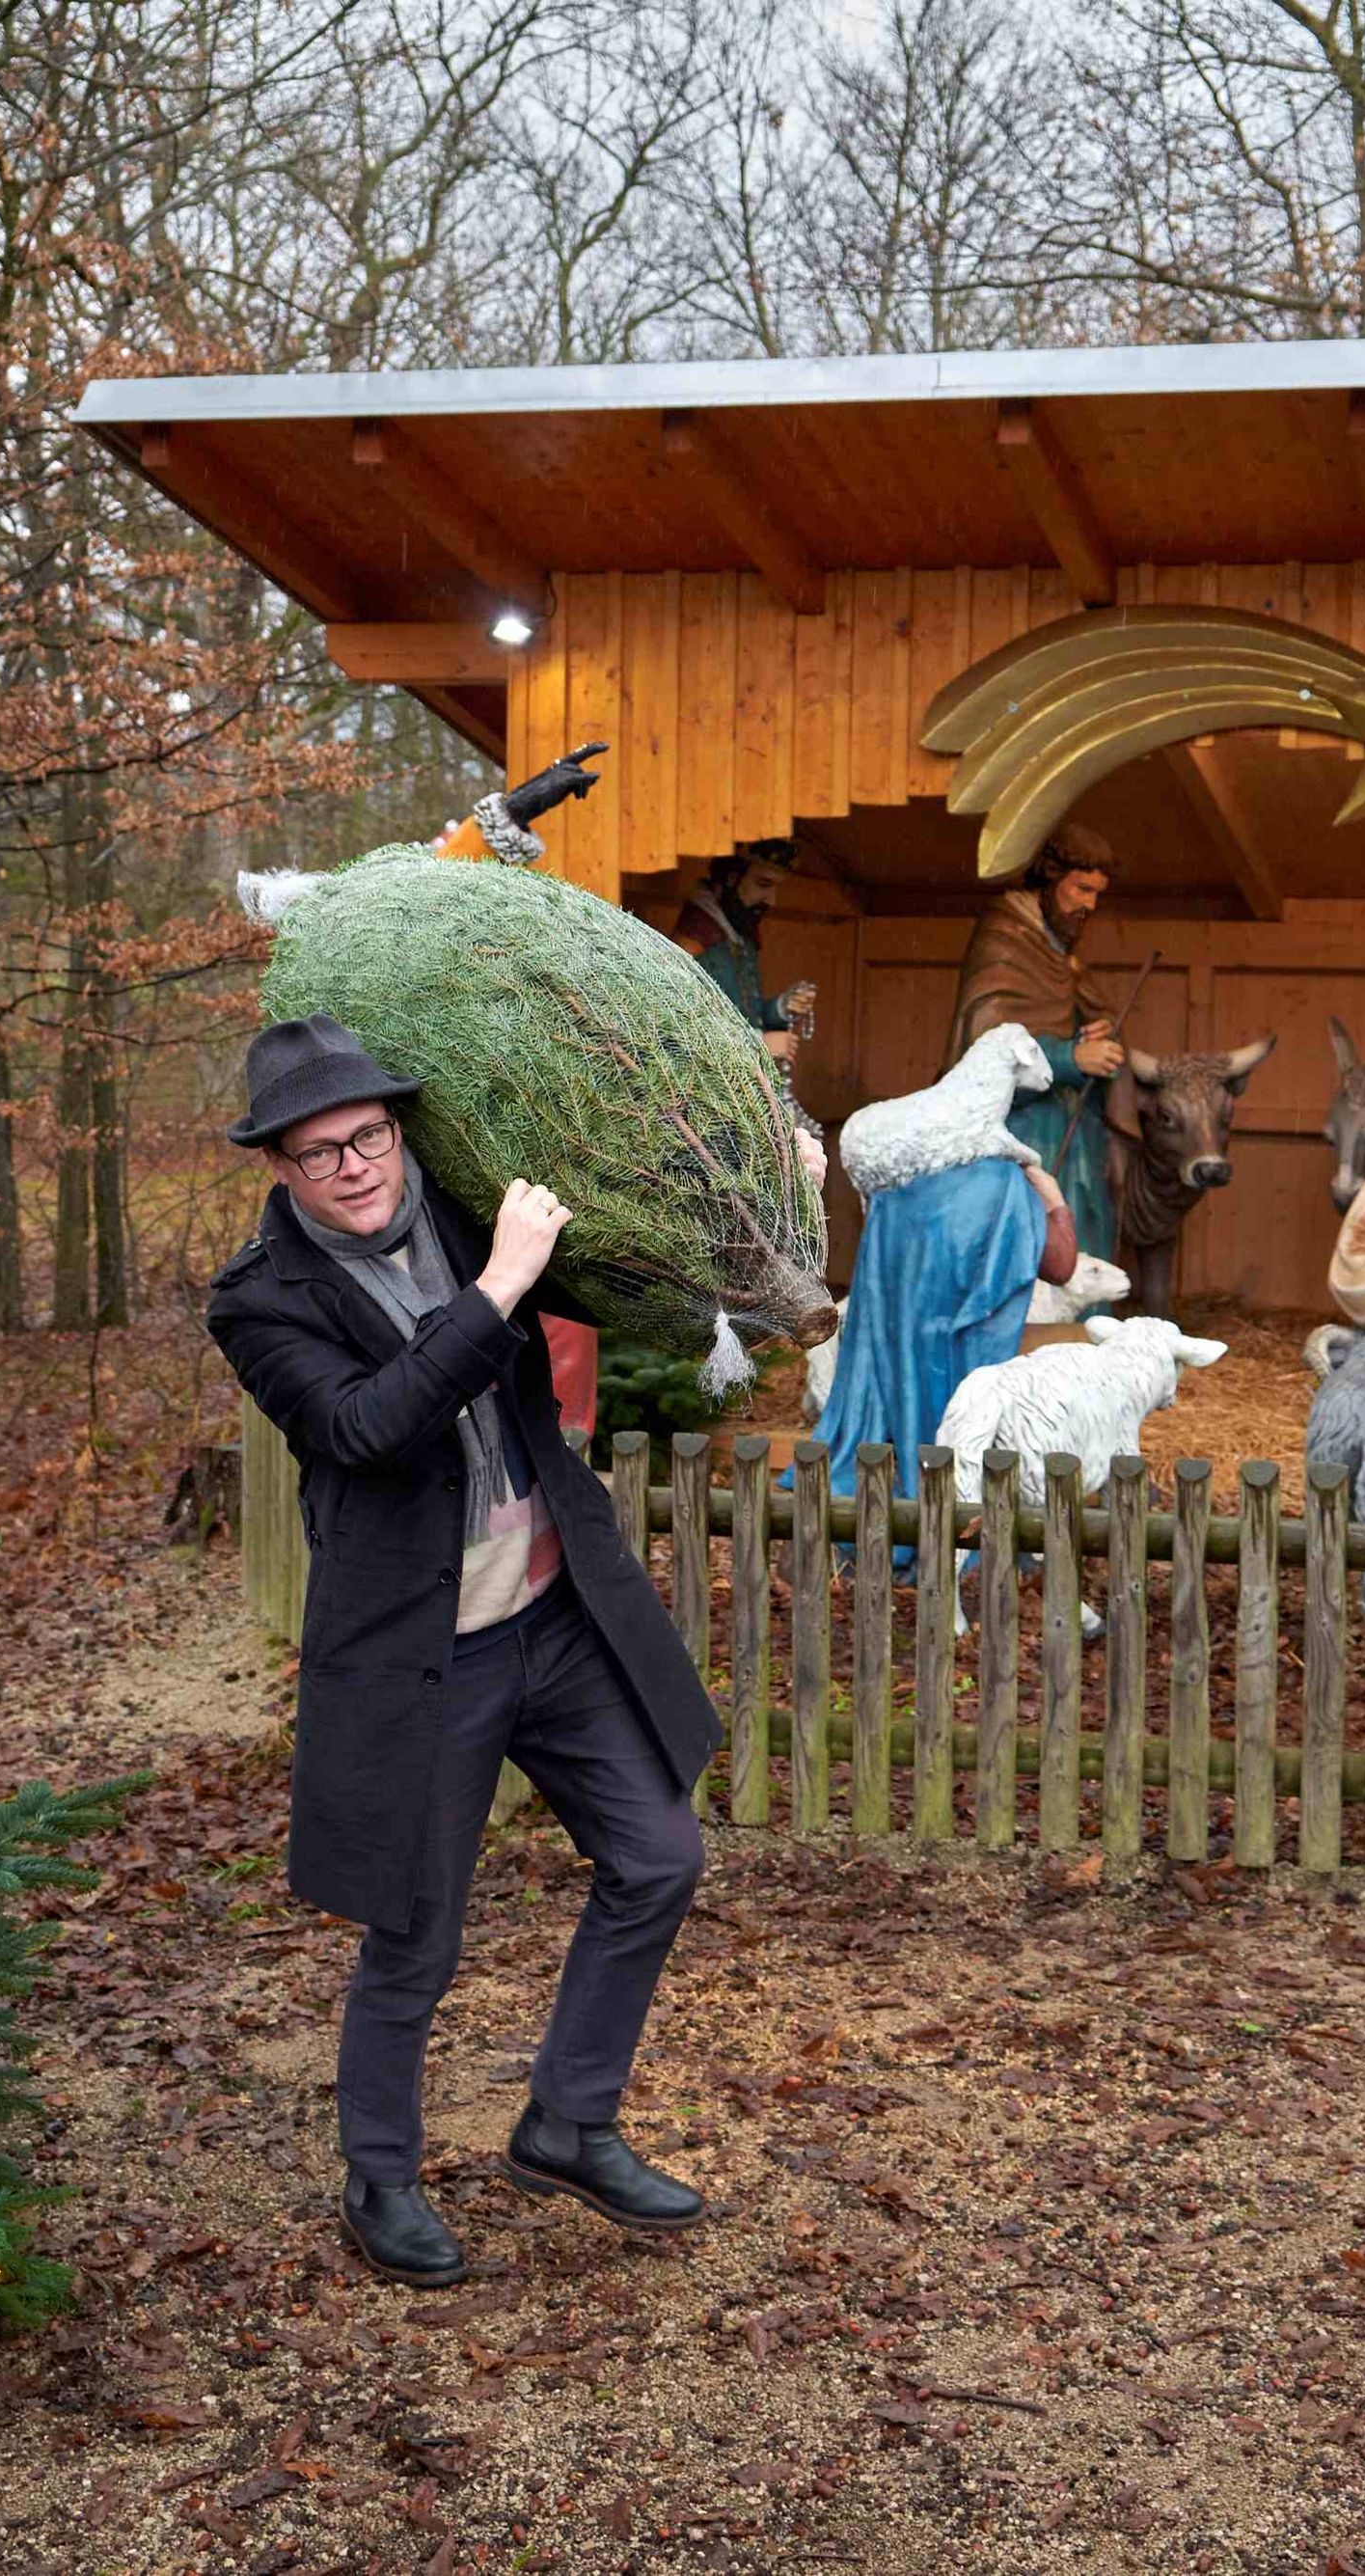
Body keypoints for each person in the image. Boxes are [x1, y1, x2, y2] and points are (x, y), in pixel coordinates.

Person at [205, 1014, 717, 2288]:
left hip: (555, 1613)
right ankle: (379, 2174)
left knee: (659, 1855)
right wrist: (495, 1289)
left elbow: (626, 1238)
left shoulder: (476, 1198)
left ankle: (567, 2120)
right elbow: (369, 1427)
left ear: (398, 1127)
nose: (355, 1167)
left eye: (369, 1135)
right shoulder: (262, 1301)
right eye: (318, 1154)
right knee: (414, 1933)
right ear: (281, 1167)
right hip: (425, 1654)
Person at [816, 1137, 1079, 1510]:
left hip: (895, 1361)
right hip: (971, 1369)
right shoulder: (1008, 1185)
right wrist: (1054, 1203)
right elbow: (1061, 1264)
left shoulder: (900, 1177)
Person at [947, 825, 1124, 1261]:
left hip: (1067, 1124)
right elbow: (984, 1044)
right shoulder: (1005, 938)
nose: (1090, 904)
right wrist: (1070, 1056)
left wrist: (1092, 1037)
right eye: (1082, 889)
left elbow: (1062, 1016)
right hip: (1015, 1129)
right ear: (1050, 878)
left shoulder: (1060, 948)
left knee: (1079, 1242)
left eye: (1097, 893)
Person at [672, 841, 817, 1067]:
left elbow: (747, 1015)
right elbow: (681, 1035)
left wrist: (782, 1007)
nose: (772, 899)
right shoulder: (692, 944)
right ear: (731, 879)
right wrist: (759, 1044)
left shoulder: (739, 939)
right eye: (763, 884)